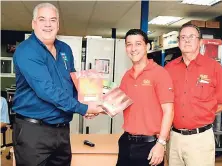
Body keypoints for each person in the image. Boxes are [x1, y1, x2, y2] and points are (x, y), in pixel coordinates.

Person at [12, 3, 103, 166]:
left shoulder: (65, 49)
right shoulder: (27, 50)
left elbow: (72, 81)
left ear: (58, 24)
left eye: (53, 20)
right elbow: (46, 90)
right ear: (34, 24)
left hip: (61, 131)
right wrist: (82, 108)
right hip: (33, 132)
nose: (48, 24)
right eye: (42, 19)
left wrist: (85, 102)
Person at [165, 23, 222, 166]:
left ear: (200, 42)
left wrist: (205, 111)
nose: (187, 40)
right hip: (174, 137)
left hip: (200, 139)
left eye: (191, 37)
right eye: (183, 37)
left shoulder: (213, 67)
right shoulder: (169, 68)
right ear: (178, 42)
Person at [116, 29, 174, 166]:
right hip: (126, 142)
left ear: (147, 47)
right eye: (129, 44)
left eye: (138, 44)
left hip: (150, 146)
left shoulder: (160, 73)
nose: (133, 48)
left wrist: (161, 143)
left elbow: (169, 111)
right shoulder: (126, 76)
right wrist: (93, 109)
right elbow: (118, 104)